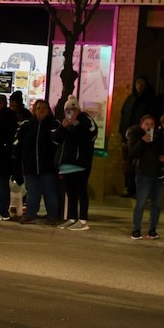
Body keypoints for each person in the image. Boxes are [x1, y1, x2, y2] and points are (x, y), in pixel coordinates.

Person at [14, 98, 62, 225]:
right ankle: (30, 215)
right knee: (32, 193)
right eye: (38, 108)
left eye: (44, 108)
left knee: (50, 192)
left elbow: (59, 142)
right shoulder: (26, 125)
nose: (41, 110)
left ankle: (52, 216)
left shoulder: (54, 124)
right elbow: (18, 144)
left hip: (49, 167)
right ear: (34, 110)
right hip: (30, 166)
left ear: (48, 110)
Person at [125, 113, 164, 240]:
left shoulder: (158, 136)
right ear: (141, 125)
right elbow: (132, 153)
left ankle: (152, 230)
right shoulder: (136, 135)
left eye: (152, 124)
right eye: (147, 124)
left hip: (159, 176)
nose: (149, 127)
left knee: (156, 204)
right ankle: (136, 229)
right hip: (144, 175)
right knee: (141, 203)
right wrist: (143, 141)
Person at [56, 96, 99, 230]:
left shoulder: (85, 120)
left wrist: (75, 123)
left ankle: (83, 219)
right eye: (67, 110)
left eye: (73, 109)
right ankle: (72, 217)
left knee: (81, 192)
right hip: (66, 165)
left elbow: (91, 134)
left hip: (81, 163)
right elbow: (56, 139)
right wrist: (64, 127)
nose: (70, 112)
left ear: (78, 109)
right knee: (71, 192)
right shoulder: (64, 123)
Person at [116, 74, 160, 197]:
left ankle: (139, 190)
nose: (139, 86)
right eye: (137, 83)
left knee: (140, 163)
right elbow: (124, 115)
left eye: (142, 83)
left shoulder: (150, 100)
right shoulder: (130, 99)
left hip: (143, 137)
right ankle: (129, 188)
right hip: (129, 137)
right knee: (128, 164)